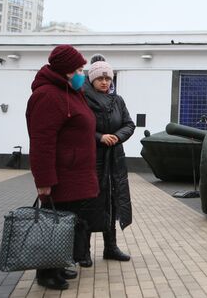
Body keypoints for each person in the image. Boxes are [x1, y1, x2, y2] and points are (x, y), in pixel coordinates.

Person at [26, 45, 99, 290]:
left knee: (65, 223)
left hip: (75, 173)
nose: (82, 73)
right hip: (60, 175)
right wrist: (44, 180)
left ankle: (56, 264)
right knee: (52, 224)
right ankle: (46, 273)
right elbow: (42, 141)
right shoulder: (47, 95)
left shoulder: (70, 92)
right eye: (78, 69)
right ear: (66, 70)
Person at [81, 59, 135, 267]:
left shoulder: (118, 100)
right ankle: (84, 251)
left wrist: (116, 136)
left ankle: (110, 247)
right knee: (90, 202)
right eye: (100, 78)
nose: (104, 82)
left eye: (107, 78)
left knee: (112, 201)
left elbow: (129, 124)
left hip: (114, 159)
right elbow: (80, 127)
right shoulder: (83, 99)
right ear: (92, 79)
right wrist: (99, 137)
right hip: (93, 158)